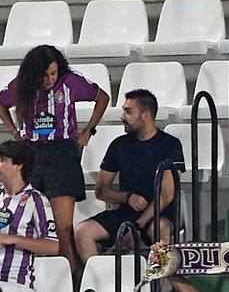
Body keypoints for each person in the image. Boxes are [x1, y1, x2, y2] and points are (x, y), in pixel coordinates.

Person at [0, 43, 110, 278]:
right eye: (44, 74)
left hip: (61, 154)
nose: (49, 79)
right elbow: (0, 103)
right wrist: (15, 132)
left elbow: (102, 97)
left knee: (63, 228)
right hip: (30, 155)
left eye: (53, 73)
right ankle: (37, 278)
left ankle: (72, 278)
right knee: (32, 224)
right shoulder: (21, 86)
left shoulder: (70, 83)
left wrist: (88, 130)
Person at [79, 88, 185, 257]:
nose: (122, 117)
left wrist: (136, 226)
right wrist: (127, 197)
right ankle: (99, 281)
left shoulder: (170, 145)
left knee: (161, 229)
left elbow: (167, 194)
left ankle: (160, 282)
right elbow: (101, 190)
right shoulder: (119, 145)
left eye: (128, 112)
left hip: (157, 214)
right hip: (124, 212)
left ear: (146, 115)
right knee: (82, 231)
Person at [0, 139, 62, 292]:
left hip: (16, 285)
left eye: (2, 160)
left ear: (18, 165)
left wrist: (12, 239)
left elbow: (53, 246)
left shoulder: (36, 200)